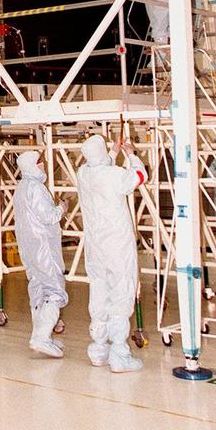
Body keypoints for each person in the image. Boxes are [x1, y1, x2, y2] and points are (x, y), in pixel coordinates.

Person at [77, 133, 146, 373]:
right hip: (117, 245)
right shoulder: (114, 175)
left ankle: (99, 350)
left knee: (99, 291)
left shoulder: (83, 174)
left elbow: (100, 166)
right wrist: (131, 154)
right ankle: (119, 354)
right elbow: (139, 176)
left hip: (95, 247)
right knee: (121, 292)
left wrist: (114, 151)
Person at [13, 149, 67, 358]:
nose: (43, 166)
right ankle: (42, 337)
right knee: (54, 290)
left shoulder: (21, 187)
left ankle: (40, 334)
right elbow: (49, 216)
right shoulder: (36, 188)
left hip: (28, 246)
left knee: (37, 288)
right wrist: (62, 208)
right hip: (43, 247)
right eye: (40, 162)